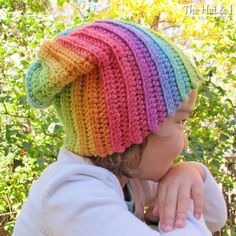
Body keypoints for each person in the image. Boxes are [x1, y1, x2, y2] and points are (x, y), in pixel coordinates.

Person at [13, 19, 227, 235]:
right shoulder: (71, 194)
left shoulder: (130, 176)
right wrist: (178, 217)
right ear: (132, 129)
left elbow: (213, 218)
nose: (185, 140)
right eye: (181, 122)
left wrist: (192, 173)